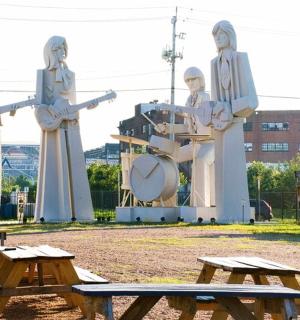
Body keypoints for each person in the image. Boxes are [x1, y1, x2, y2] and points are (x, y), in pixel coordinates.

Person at [34, 36, 94, 222]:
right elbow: (40, 105)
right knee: (52, 165)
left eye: (63, 48)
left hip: (70, 125)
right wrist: (50, 119)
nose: (61, 52)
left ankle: (81, 213)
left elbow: (73, 102)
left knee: (75, 162)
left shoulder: (70, 75)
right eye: (57, 49)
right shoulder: (43, 74)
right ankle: (50, 214)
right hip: (52, 126)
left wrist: (74, 115)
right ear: (50, 52)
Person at [210, 20, 258, 221]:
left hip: (235, 123)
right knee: (220, 173)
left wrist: (231, 108)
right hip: (221, 125)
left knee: (233, 171)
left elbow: (253, 100)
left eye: (221, 35)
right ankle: (222, 215)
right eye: (215, 37)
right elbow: (214, 101)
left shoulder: (240, 59)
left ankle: (237, 215)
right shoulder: (214, 64)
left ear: (230, 36)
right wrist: (214, 112)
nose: (218, 40)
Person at [155, 67, 215, 207]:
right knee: (168, 157)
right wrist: (167, 127)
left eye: (193, 79)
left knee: (200, 161)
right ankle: (166, 203)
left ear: (201, 80)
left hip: (210, 144)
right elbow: (187, 128)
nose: (190, 83)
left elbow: (202, 116)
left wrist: (174, 108)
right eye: (187, 80)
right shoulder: (189, 100)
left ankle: (199, 207)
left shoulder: (206, 98)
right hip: (195, 144)